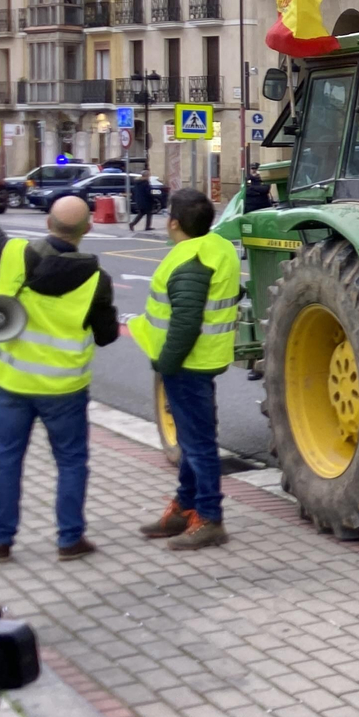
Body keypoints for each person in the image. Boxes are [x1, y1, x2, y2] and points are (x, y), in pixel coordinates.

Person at [0, 183, 119, 561]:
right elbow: (106, 336)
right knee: (71, 462)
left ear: (48, 223)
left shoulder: (12, 255)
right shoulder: (97, 280)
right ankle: (70, 539)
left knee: (7, 461)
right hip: (65, 390)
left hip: (11, 384)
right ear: (87, 229)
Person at [129, 189, 240, 551]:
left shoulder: (189, 260)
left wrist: (166, 364)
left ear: (174, 223)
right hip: (203, 360)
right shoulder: (217, 248)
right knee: (193, 440)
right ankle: (185, 507)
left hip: (187, 364)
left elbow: (186, 321)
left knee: (199, 443)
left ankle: (209, 518)